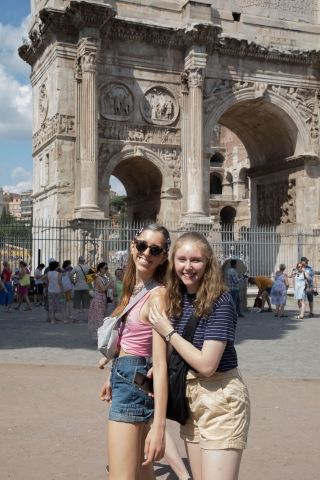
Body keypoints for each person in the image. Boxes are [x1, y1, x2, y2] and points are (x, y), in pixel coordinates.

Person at [149, 231, 250, 480]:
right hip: (190, 399)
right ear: (173, 262)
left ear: (208, 263)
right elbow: (182, 347)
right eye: (181, 259)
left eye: (196, 260)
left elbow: (207, 364)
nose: (188, 267)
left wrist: (169, 333)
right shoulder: (177, 298)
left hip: (220, 398)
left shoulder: (221, 302)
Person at [99, 223, 171, 480]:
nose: (146, 253)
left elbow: (159, 363)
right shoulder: (136, 288)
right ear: (133, 246)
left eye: (155, 250)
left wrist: (159, 426)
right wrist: (113, 374)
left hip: (134, 384)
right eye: (142, 246)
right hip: (126, 376)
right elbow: (132, 341)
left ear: (163, 257)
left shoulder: (157, 295)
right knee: (141, 474)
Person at [88, 262, 112, 340]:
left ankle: (101, 337)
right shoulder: (97, 277)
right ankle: (100, 337)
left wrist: (110, 277)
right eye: (105, 268)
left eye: (107, 268)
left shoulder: (104, 278)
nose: (106, 270)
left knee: (103, 317)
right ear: (100, 269)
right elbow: (103, 288)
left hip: (103, 299)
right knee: (99, 319)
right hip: (98, 299)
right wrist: (110, 281)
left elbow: (111, 287)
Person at [69, 256, 91, 322]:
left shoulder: (76, 267)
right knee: (86, 303)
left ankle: (76, 318)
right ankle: (86, 318)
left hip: (77, 287)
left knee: (76, 303)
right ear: (84, 261)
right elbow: (92, 277)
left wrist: (73, 282)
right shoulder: (88, 267)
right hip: (86, 287)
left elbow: (70, 275)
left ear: (79, 261)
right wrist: (88, 282)